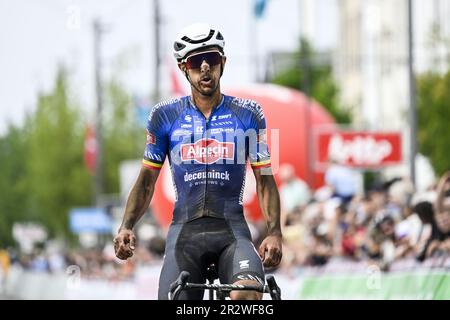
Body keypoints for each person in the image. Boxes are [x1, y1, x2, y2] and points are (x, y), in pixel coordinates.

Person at [113, 23, 282, 300]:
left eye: (212, 58)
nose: (205, 67)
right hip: (184, 233)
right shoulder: (163, 116)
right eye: (195, 61)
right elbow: (146, 182)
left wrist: (274, 232)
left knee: (248, 295)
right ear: (183, 67)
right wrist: (126, 226)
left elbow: (265, 179)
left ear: (223, 62)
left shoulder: (249, 114)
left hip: (232, 231)